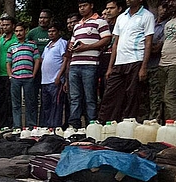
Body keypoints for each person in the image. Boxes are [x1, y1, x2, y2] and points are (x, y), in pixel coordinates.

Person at [98, 0, 155, 122]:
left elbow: (148, 42)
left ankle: (129, 123)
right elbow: (115, 43)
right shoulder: (121, 17)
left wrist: (144, 67)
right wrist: (110, 67)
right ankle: (106, 122)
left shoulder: (147, 16)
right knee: (110, 94)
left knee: (132, 95)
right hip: (119, 62)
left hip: (136, 59)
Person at [67, 0, 112, 129]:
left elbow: (106, 39)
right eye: (80, 6)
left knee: (90, 97)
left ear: (91, 5)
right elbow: (73, 42)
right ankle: (74, 124)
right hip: (75, 64)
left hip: (90, 64)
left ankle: (91, 124)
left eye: (84, 5)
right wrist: (72, 46)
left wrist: (87, 47)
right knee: (75, 97)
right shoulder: (77, 25)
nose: (82, 8)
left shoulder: (100, 21)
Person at [7, 22, 41, 129]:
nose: (18, 33)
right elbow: (8, 62)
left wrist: (33, 74)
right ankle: (17, 126)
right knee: (16, 104)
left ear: (25, 31)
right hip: (15, 78)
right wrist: (10, 76)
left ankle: (31, 126)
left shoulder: (32, 44)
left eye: (20, 30)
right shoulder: (12, 46)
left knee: (30, 103)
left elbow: (37, 60)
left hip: (28, 77)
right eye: (16, 31)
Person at [40, 23, 69, 128]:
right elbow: (43, 59)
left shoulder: (62, 43)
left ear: (58, 32)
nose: (51, 33)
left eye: (53, 31)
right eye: (49, 31)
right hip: (45, 81)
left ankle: (55, 126)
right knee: (46, 106)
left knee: (56, 105)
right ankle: (46, 126)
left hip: (55, 80)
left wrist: (59, 76)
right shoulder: (48, 45)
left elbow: (65, 60)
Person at [146, 4, 169, 121]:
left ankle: (154, 121)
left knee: (156, 96)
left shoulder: (168, 26)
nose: (164, 10)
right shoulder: (151, 23)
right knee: (143, 97)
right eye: (162, 7)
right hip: (143, 65)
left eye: (167, 8)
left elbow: (156, 49)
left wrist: (146, 46)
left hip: (157, 65)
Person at [98, 1, 124, 100]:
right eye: (107, 9)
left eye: (111, 8)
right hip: (103, 63)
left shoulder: (123, 24)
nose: (108, 11)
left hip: (118, 64)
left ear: (120, 9)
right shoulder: (105, 27)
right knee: (103, 93)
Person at [0, 14, 18, 128]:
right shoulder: (0, 39)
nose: (5, 27)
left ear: (13, 26)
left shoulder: (16, 39)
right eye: (3, 25)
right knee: (0, 101)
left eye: (7, 25)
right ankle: (2, 124)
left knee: (10, 101)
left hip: (11, 74)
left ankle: (11, 124)